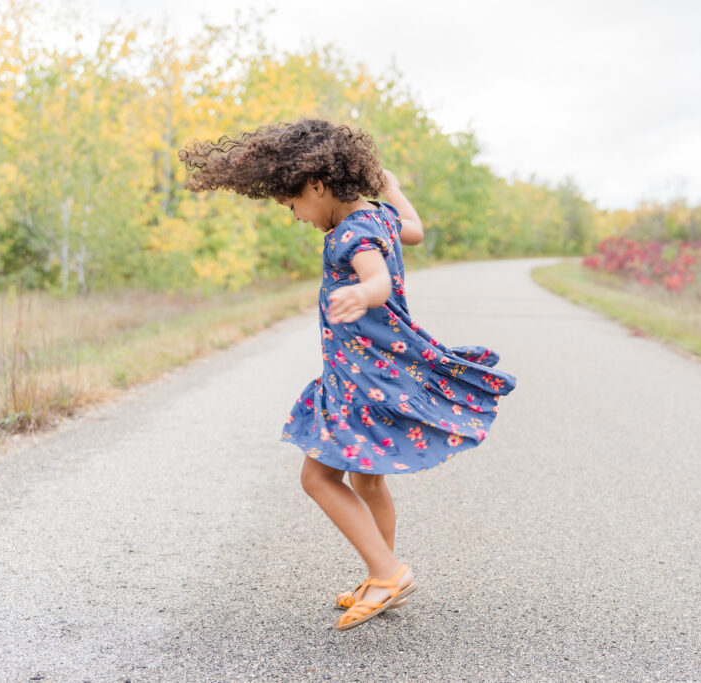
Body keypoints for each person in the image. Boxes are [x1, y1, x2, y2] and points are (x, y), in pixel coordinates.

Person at [178, 118, 517, 631]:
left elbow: (376, 276)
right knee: (368, 480)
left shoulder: (351, 233)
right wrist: (394, 189)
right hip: (372, 373)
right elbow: (417, 232)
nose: (294, 215)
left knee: (317, 477)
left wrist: (365, 292)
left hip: (361, 379)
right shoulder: (379, 217)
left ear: (316, 185)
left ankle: (388, 570)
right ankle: (381, 574)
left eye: (292, 204)